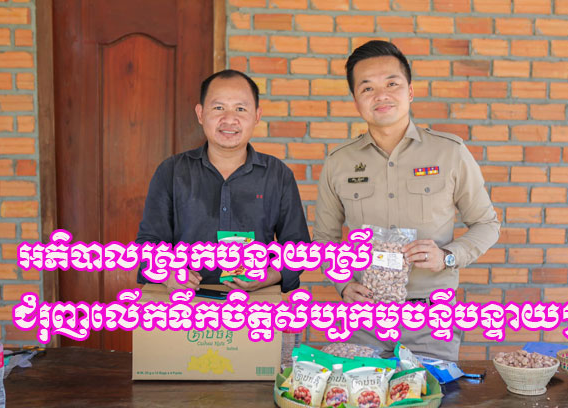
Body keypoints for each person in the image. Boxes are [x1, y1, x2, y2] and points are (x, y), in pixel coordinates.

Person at [313, 41, 500, 361]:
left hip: (430, 321)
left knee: (428, 389)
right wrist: (342, 285)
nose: (381, 95)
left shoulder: (449, 152)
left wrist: (447, 257)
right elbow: (324, 239)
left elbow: (487, 223)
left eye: (392, 84)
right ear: (356, 101)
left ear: (410, 91)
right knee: (359, 387)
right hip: (365, 320)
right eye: (367, 88)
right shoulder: (339, 163)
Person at [136, 69, 310, 293]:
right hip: (185, 302)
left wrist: (269, 276)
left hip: (254, 302)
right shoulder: (171, 172)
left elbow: (297, 247)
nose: (229, 119)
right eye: (218, 108)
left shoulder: (277, 174)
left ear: (257, 116)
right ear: (200, 114)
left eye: (240, 109)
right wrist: (168, 274)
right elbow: (148, 242)